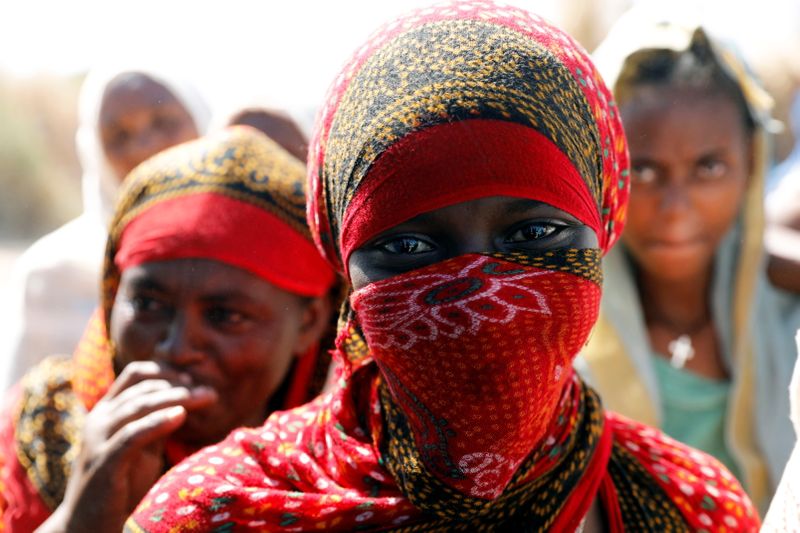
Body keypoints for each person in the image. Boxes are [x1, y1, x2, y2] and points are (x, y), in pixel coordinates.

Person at [126, 2, 759, 531]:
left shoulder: (685, 506)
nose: (479, 294)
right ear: (344, 269)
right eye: (408, 247)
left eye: (535, 233)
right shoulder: (221, 513)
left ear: (604, 230)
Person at [0, 127, 336, 532]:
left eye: (225, 316)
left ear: (309, 321)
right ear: (111, 294)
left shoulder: (351, 475)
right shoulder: (39, 428)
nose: (177, 347)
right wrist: (78, 516)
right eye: (148, 305)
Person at [577, 7, 800, 511]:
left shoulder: (791, 331)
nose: (676, 210)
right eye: (644, 171)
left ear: (752, 165)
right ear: (601, 172)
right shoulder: (561, 357)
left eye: (709, 167)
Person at [0, 64, 210, 391]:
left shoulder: (245, 256)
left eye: (164, 123)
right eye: (119, 136)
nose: (144, 146)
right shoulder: (51, 275)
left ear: (203, 124)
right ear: (95, 153)